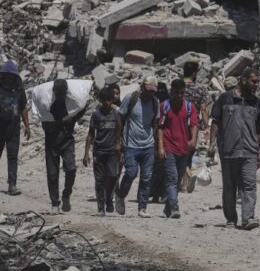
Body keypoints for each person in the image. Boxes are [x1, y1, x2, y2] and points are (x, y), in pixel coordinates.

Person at [208, 67, 260, 230]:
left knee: (249, 185)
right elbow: (216, 122)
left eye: (258, 82)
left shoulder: (257, 103)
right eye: (253, 81)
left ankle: (248, 218)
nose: (256, 85)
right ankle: (231, 218)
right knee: (229, 186)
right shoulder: (225, 99)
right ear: (243, 80)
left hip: (250, 151)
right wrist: (212, 143)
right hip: (229, 150)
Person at [0, 60, 30, 195]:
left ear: (15, 76)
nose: (9, 77)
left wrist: (27, 126)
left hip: (13, 129)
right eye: (6, 75)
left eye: (11, 75)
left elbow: (23, 108)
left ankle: (12, 185)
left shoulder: (19, 90)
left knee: (13, 157)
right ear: (2, 75)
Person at [115, 76, 160, 218]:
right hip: (131, 145)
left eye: (153, 91)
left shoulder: (155, 102)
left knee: (146, 177)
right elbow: (120, 119)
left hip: (148, 145)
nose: (150, 93)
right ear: (142, 87)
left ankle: (142, 207)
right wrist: (118, 141)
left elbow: (155, 125)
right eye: (148, 90)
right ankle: (121, 195)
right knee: (131, 173)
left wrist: (158, 145)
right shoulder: (131, 99)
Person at [157, 79, 199, 219]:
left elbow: (194, 125)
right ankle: (175, 207)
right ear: (172, 92)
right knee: (172, 178)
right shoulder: (164, 106)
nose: (179, 96)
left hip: (184, 149)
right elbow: (160, 127)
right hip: (169, 147)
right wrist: (160, 147)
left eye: (182, 93)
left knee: (178, 179)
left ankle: (167, 207)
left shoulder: (189, 107)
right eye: (176, 93)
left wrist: (193, 140)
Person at [42, 78, 85, 213]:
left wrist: (79, 109)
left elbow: (80, 111)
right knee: (52, 174)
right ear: (54, 92)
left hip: (67, 141)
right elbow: (46, 126)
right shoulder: (48, 105)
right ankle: (55, 202)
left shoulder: (71, 105)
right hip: (51, 143)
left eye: (63, 92)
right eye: (58, 92)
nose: (60, 95)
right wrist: (62, 121)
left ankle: (66, 193)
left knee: (71, 169)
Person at [84, 87, 121, 216]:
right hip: (99, 151)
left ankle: (109, 198)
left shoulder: (116, 114)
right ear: (100, 100)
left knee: (113, 176)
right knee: (99, 180)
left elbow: (119, 129)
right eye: (104, 100)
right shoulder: (96, 115)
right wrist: (86, 153)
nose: (107, 103)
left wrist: (118, 144)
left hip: (112, 152)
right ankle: (101, 208)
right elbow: (90, 134)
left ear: (112, 100)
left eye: (109, 100)